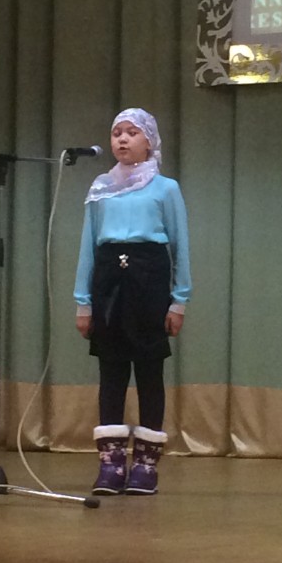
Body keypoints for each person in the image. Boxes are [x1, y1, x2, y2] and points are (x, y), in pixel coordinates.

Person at [73, 108, 191, 496]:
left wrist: (178, 301)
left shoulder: (165, 188)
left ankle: (145, 465)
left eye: (132, 133)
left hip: (149, 279)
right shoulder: (101, 187)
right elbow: (88, 246)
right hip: (109, 279)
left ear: (149, 141)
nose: (122, 139)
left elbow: (180, 246)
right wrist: (83, 302)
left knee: (149, 372)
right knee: (111, 372)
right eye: (116, 133)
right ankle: (110, 463)